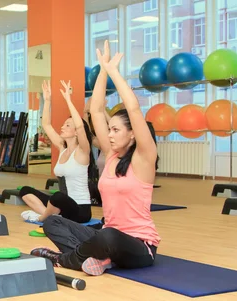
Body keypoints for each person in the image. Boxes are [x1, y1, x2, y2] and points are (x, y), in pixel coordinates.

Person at [31, 40, 160, 276]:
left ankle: (64, 259)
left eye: (116, 130)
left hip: (138, 246)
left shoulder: (144, 159)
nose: (109, 135)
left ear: (132, 134)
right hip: (105, 236)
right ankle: (97, 259)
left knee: (108, 236)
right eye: (108, 130)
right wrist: (102, 71)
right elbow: (97, 110)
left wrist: (114, 73)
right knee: (52, 222)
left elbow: (133, 109)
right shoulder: (111, 155)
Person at [19, 80, 98, 224]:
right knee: (25, 190)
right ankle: (51, 215)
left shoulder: (83, 152)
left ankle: (42, 218)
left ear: (76, 133)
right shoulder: (62, 148)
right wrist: (47, 100)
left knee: (57, 197)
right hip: (62, 206)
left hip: (80, 210)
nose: (62, 127)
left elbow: (80, 126)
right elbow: (46, 124)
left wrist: (68, 99)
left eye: (67, 125)